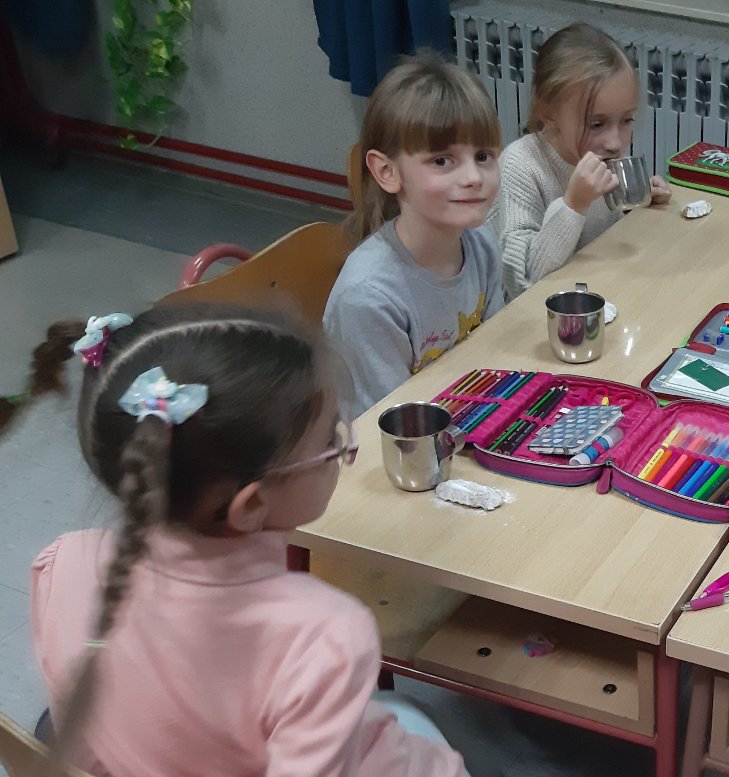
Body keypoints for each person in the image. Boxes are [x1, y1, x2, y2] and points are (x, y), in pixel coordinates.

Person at [7, 304, 466, 775]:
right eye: (330, 441)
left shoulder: (62, 561)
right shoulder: (324, 637)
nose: (345, 449)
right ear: (250, 505)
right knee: (419, 727)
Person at [326, 52, 506, 419]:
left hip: (464, 414)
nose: (473, 177)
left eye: (483, 156)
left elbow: (496, 359)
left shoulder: (481, 244)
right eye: (442, 161)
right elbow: (397, 425)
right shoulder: (368, 297)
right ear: (387, 172)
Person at [489, 22, 671, 298]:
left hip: (600, 294)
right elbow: (520, 282)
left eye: (626, 120)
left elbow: (600, 235)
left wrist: (639, 202)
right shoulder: (520, 165)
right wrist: (573, 204)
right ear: (549, 112)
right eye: (596, 124)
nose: (615, 142)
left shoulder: (596, 155)